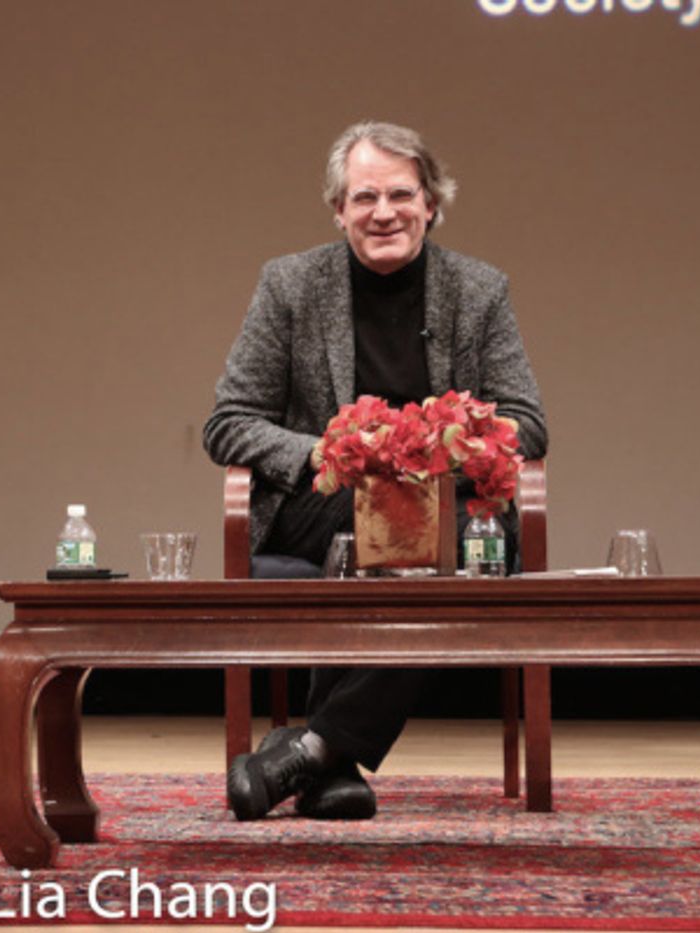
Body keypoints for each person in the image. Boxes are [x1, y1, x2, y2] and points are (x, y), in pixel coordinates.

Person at [203, 120, 548, 823]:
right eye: (364, 197)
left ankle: (318, 752)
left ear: (430, 204)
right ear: (339, 210)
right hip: (322, 501)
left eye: (400, 194)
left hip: (447, 508)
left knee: (425, 538)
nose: (383, 212)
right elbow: (228, 420)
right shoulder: (292, 284)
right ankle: (333, 752)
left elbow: (526, 420)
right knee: (382, 525)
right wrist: (329, 453)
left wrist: (438, 447)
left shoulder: (478, 290)